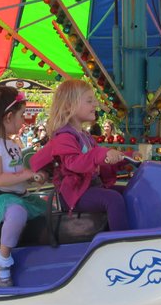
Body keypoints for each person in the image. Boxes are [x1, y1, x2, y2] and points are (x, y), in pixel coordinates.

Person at [30, 79, 129, 231]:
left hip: (90, 187)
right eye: (89, 101)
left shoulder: (85, 135)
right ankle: (121, 243)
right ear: (69, 106)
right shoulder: (63, 137)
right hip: (75, 192)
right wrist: (99, 154)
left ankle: (136, 232)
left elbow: (100, 162)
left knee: (129, 193)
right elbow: (75, 163)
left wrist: (124, 159)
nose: (95, 104)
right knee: (113, 199)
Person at [0, 86, 48, 287]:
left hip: (16, 195)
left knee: (46, 207)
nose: (24, 120)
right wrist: (24, 174)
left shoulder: (13, 144)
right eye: (22, 115)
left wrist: (33, 177)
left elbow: (17, 174)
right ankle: (2, 259)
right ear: (8, 117)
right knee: (17, 213)